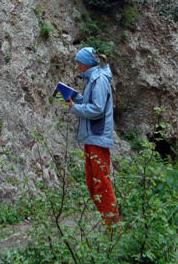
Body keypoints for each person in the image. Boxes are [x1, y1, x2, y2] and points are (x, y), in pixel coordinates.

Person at [66, 46, 120, 226]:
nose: (77, 67)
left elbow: (97, 108)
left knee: (101, 183)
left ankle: (112, 227)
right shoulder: (92, 80)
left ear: (86, 64)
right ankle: (107, 223)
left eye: (79, 63)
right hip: (91, 137)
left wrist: (75, 108)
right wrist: (77, 98)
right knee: (93, 183)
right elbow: (93, 103)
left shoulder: (100, 79)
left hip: (97, 137)